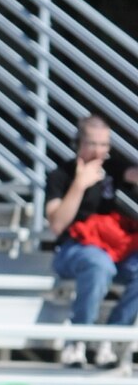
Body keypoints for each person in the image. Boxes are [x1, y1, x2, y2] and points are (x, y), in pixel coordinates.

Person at [47, 123, 138, 366]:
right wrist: (79, 185)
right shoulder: (61, 175)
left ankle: (111, 338)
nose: (99, 151)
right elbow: (56, 224)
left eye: (104, 145)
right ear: (78, 144)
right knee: (99, 265)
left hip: (112, 248)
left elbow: (132, 174)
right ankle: (78, 339)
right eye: (93, 144)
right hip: (72, 249)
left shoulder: (111, 168)